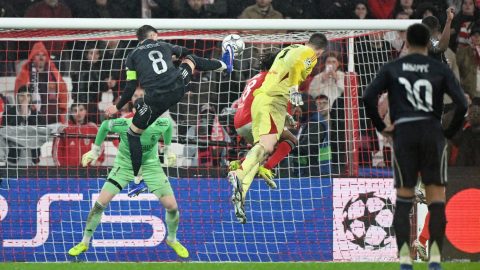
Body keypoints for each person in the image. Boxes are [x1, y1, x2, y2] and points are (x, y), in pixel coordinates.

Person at [362, 23, 468, 270]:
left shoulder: (393, 67)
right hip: (432, 132)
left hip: (405, 133)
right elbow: (462, 104)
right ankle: (434, 258)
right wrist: (448, 133)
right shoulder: (440, 68)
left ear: (407, 42)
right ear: (427, 42)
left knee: (404, 198)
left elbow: (368, 97)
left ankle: (405, 258)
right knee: (436, 199)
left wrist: (382, 126)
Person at [105, 24, 234, 190]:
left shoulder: (131, 56)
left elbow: (131, 87)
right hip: (177, 88)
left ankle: (139, 179)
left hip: (155, 100)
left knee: (133, 134)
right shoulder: (164, 45)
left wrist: (117, 106)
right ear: (153, 35)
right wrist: (174, 57)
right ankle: (224, 64)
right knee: (191, 60)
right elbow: (187, 52)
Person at [68, 98, 187, 258]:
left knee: (172, 207)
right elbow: (104, 126)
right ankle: (84, 242)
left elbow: (168, 127)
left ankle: (172, 239)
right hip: (124, 166)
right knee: (99, 205)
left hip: (150, 167)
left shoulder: (159, 123)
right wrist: (94, 151)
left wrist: (167, 150)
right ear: (135, 112)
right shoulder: (124, 124)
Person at [228, 33, 328, 224]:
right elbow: (298, 68)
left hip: (247, 114)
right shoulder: (308, 54)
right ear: (321, 51)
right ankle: (240, 170)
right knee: (269, 145)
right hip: (268, 104)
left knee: (264, 148)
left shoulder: (288, 50)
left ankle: (241, 192)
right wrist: (294, 91)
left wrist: (287, 113)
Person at [229, 50, 298, 188]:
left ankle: (240, 163)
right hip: (254, 120)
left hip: (239, 122)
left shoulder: (255, 78)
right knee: (291, 140)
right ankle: (267, 168)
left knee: (267, 148)